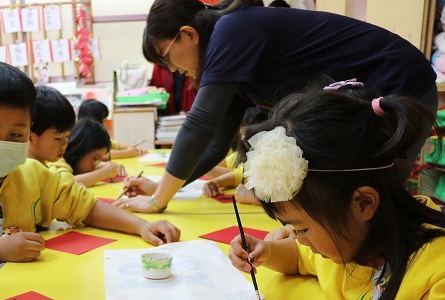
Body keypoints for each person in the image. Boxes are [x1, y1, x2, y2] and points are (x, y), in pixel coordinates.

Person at [228, 89, 445, 300]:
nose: (300, 241)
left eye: (302, 228)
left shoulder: (434, 270)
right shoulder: (347, 243)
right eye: (291, 228)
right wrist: (267, 251)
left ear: (363, 204)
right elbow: (300, 259)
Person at [116, 0, 437, 214]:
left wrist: (158, 201)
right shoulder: (232, 60)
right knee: (361, 200)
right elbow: (213, 143)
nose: (173, 71)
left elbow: (200, 123)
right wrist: (163, 187)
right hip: (374, 92)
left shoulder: (231, 31)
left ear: (188, 35)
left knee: (375, 198)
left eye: (166, 58)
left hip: (398, 83)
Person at [0, 62, 181, 279]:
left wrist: (142, 226)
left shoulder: (35, 174)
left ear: (30, 131)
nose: (3, 142)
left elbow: (87, 208)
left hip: (30, 289)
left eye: (16, 135)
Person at [63, 118, 127, 187]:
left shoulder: (75, 162)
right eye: (95, 158)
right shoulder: (59, 160)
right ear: (80, 148)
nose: (94, 166)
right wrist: (105, 172)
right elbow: (66, 184)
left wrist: (109, 166)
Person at [77, 99, 146, 159]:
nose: (107, 124)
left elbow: (116, 146)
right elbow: (101, 155)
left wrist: (134, 148)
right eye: (104, 120)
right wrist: (128, 153)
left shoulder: (99, 136)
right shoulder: (84, 138)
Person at [29, 85, 75, 169]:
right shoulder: (25, 173)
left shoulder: (52, 168)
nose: (65, 144)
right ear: (30, 136)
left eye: (67, 136)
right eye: (58, 138)